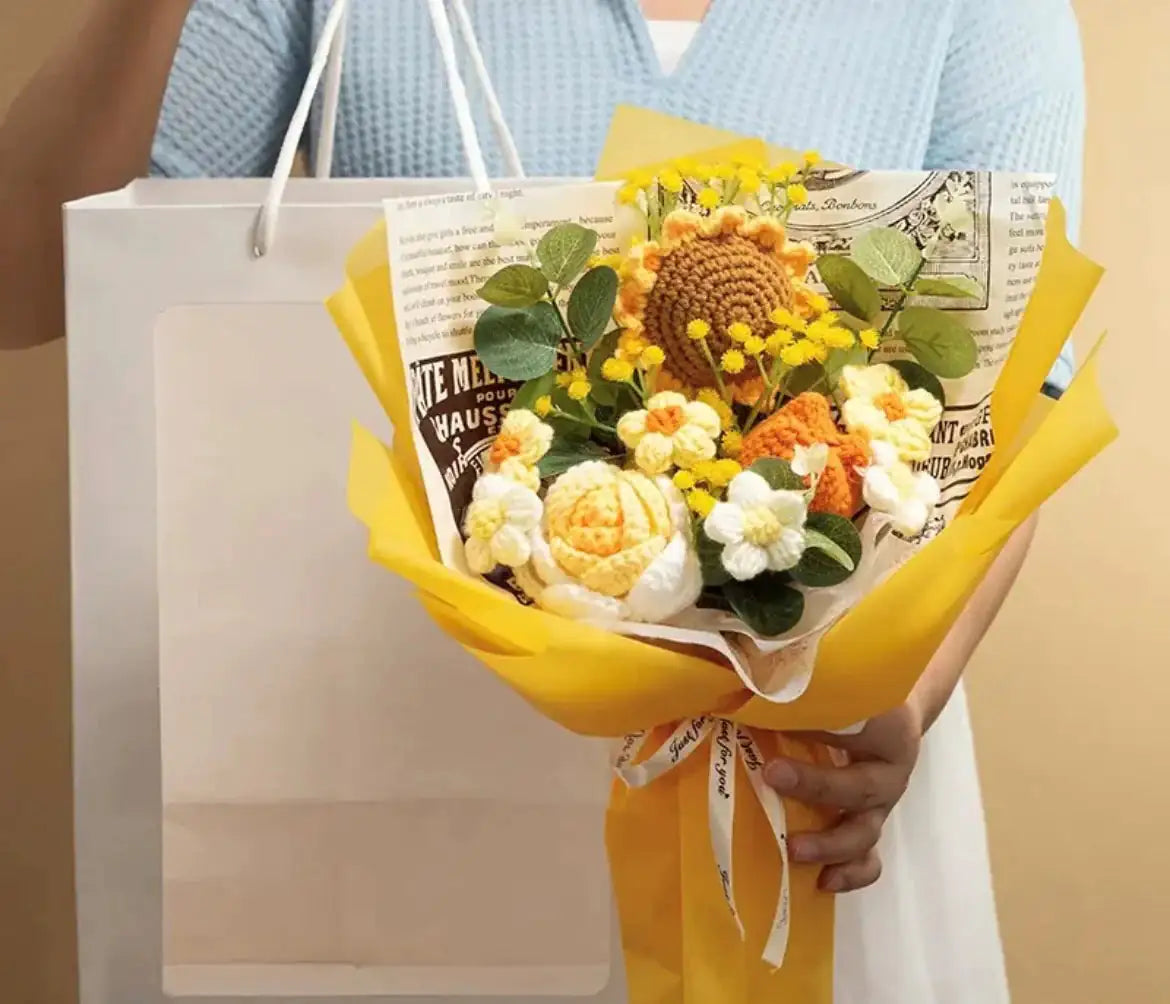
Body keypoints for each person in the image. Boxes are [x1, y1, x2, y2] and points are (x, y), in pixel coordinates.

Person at [0, 0, 1085, 1000]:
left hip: (797, 779)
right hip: (380, 755)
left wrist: (907, 699)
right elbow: (21, 275)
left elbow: (1014, 403)